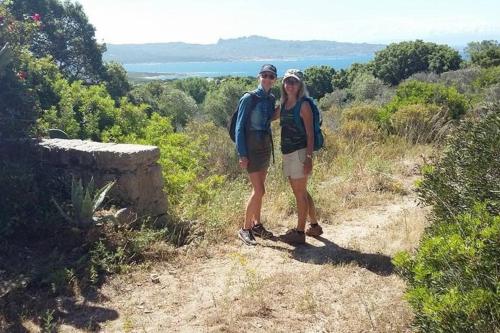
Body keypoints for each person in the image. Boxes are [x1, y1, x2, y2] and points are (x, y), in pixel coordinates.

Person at [278, 69, 323, 244]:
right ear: (283, 84)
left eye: (294, 82)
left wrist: (309, 158)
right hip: (288, 153)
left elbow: (310, 134)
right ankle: (314, 226)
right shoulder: (284, 104)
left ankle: (299, 233)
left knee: (299, 194)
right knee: (301, 191)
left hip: (300, 153)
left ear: (300, 85)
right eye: (287, 81)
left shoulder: (303, 105)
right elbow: (272, 116)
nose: (290, 85)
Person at [236, 64, 278, 246]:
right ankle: (245, 229)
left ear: (275, 80)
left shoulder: (271, 98)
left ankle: (257, 225)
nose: (267, 78)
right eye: (265, 75)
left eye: (271, 76)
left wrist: (287, 105)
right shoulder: (248, 98)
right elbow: (239, 127)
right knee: (259, 190)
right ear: (259, 77)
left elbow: (269, 118)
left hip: (264, 147)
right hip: (251, 149)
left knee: (259, 190)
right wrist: (242, 154)